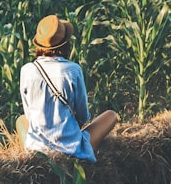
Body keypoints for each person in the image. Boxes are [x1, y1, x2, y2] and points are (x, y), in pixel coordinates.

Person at [16, 14, 118, 162]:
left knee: (21, 120)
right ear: (65, 44)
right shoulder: (73, 70)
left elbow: (30, 116)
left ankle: (32, 154)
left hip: (38, 150)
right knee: (111, 115)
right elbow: (83, 116)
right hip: (71, 149)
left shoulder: (27, 70)